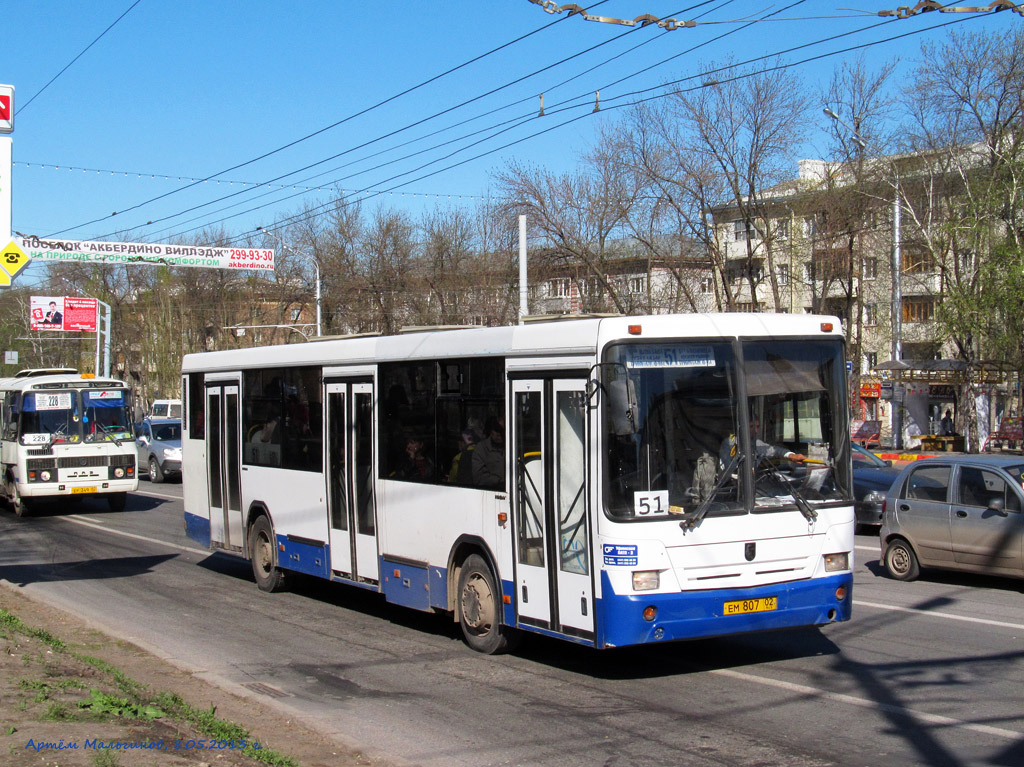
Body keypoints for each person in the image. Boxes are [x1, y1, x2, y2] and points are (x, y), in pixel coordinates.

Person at [719, 414, 806, 472]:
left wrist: (792, 456)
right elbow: (728, 468)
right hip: (730, 489)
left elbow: (775, 451)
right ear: (741, 426)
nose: (756, 430)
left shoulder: (757, 444)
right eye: (751, 426)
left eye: (757, 426)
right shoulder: (729, 443)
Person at [473, 416, 505, 489]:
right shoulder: (481, 449)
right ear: (491, 430)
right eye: (496, 429)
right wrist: (500, 481)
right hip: (491, 492)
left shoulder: (512, 449)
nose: (498, 433)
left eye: (502, 430)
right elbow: (479, 478)